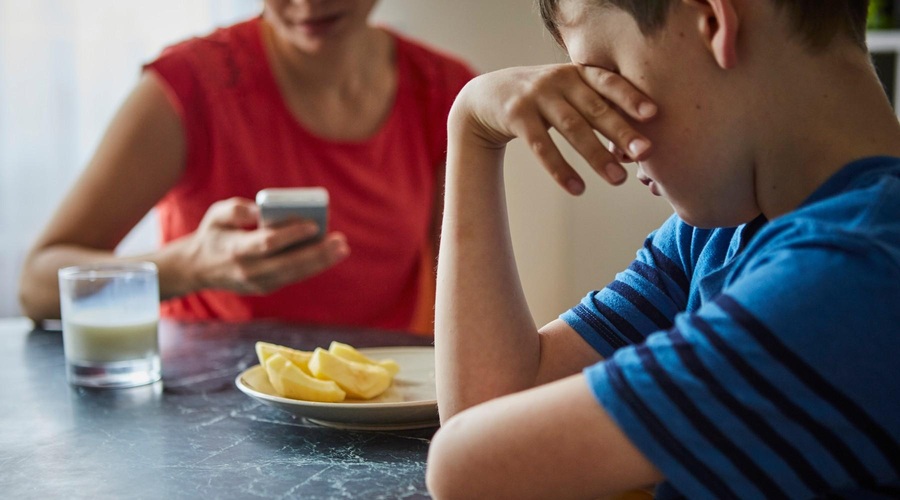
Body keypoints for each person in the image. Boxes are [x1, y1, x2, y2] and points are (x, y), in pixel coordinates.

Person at [426, 0, 900, 498]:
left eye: (604, 77)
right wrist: (473, 126)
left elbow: (471, 471)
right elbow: (492, 404)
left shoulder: (854, 275)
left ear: (714, 22)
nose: (610, 139)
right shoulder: (718, 235)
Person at [18, 0, 475, 334]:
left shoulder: (444, 91)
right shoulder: (190, 84)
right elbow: (38, 285)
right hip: (208, 410)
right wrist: (191, 265)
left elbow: (459, 287)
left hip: (378, 397)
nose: (309, 3)